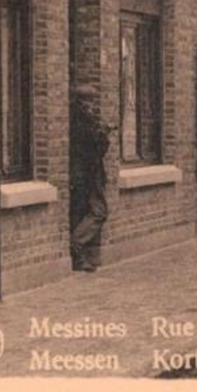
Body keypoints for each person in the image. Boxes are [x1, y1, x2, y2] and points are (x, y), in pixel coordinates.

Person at [68, 87, 110, 272]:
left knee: (80, 212)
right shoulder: (85, 121)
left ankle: (80, 257)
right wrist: (103, 134)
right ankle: (76, 246)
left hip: (79, 175)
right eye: (90, 101)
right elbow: (97, 149)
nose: (92, 105)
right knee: (99, 211)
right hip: (89, 174)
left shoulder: (73, 118)